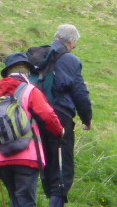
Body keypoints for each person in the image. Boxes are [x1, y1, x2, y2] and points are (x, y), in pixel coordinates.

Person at [0, 52, 64, 207]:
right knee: (26, 202)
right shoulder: (30, 91)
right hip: (27, 157)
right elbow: (48, 116)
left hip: (0, 158)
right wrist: (60, 131)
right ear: (27, 72)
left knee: (16, 200)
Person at [37, 24, 93, 207]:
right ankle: (57, 199)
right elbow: (80, 93)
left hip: (37, 115)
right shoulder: (71, 60)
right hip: (60, 117)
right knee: (63, 171)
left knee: (47, 164)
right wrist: (87, 118)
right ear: (72, 41)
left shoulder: (41, 54)